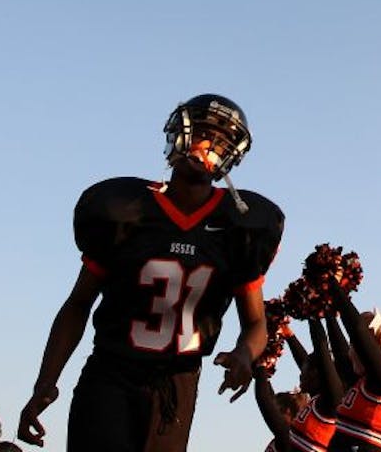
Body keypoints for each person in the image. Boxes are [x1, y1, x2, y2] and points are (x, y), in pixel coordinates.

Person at [17, 94, 284, 451]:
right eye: (205, 133)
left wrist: (243, 354)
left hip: (177, 384)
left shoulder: (241, 227)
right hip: (111, 372)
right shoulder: (125, 209)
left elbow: (255, 324)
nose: (211, 147)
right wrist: (45, 382)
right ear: (181, 133)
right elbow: (79, 303)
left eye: (222, 141)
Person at [326, 291, 381, 452]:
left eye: (353, 345)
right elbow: (339, 350)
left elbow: (357, 330)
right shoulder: (362, 382)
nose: (349, 352)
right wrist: (325, 310)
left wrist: (333, 284)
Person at [255, 319, 342, 452]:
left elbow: (265, 402)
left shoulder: (329, 403)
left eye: (304, 371)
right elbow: (306, 361)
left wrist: (261, 365)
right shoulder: (317, 401)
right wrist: (289, 336)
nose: (300, 375)